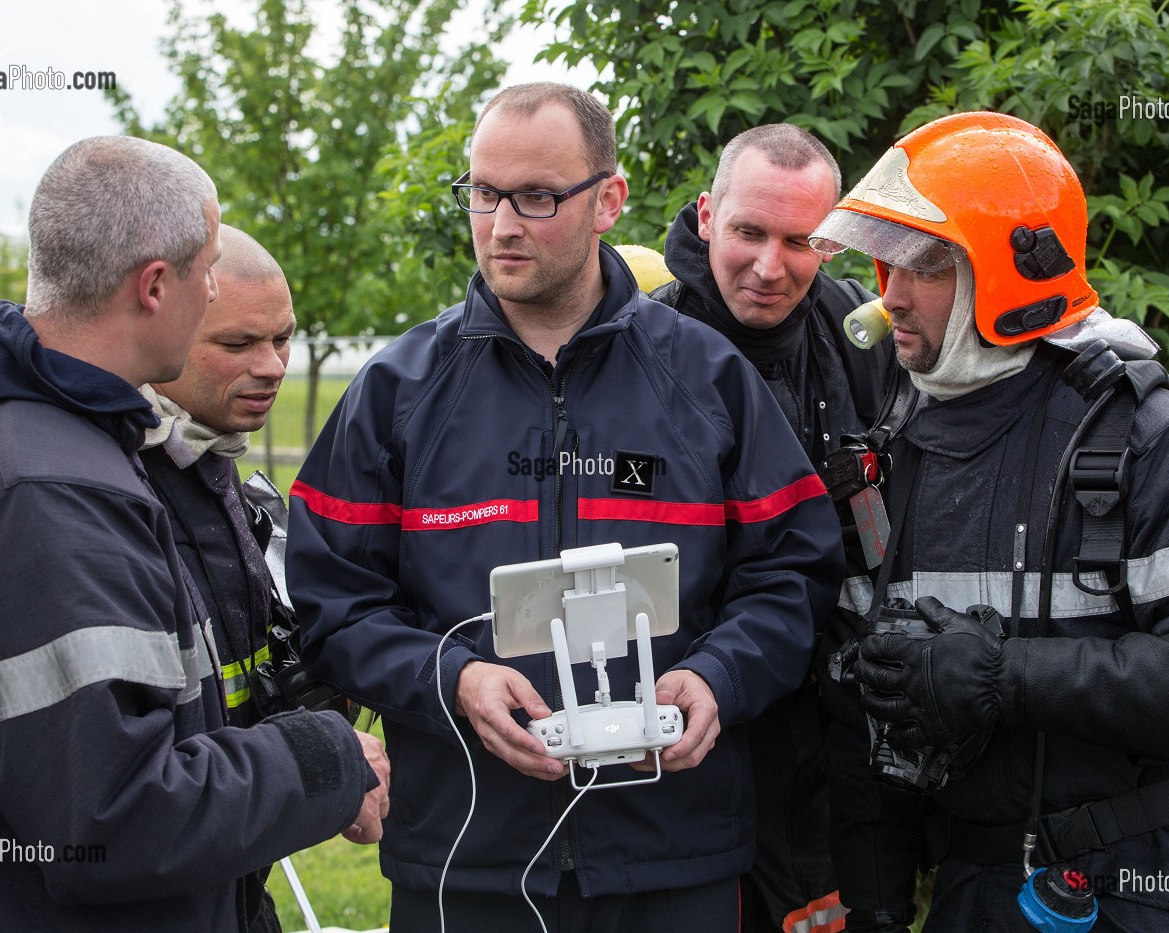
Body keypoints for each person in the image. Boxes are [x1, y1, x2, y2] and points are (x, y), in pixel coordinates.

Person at [287, 82, 844, 933]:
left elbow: (795, 571)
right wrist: (454, 679)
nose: (502, 223)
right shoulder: (397, 391)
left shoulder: (709, 379)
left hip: (673, 855)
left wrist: (717, 676)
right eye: (482, 193)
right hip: (465, 859)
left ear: (607, 201)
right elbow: (333, 602)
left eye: (538, 197)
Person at [0, 136, 389, 933]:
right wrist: (326, 761)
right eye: (209, 268)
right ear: (155, 285)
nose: (218, 288)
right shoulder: (46, 496)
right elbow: (110, 819)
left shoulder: (45, 438)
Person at [809, 111, 1169, 930]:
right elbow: (864, 715)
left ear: (1007, 271)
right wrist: (878, 904)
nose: (890, 294)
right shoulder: (890, 457)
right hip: (980, 888)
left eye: (924, 265)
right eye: (883, 263)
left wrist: (1005, 676)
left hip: (1159, 887)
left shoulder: (1151, 438)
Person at [650, 123, 895, 933]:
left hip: (837, 728)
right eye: (749, 232)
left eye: (801, 241)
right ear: (707, 213)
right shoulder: (639, 349)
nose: (769, 265)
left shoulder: (862, 335)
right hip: (690, 720)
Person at [139, 223, 367, 932]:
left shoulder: (215, 474)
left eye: (284, 339)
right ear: (165, 331)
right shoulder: (109, 495)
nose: (272, 365)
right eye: (238, 344)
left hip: (226, 888)